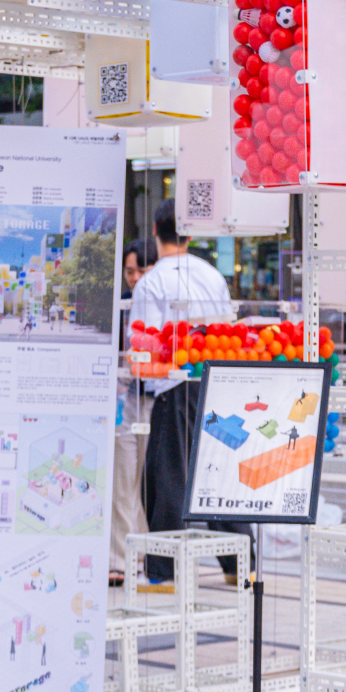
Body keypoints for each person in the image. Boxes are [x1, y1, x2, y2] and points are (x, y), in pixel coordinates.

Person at [130, 199, 252, 584]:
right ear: (190, 232)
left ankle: (163, 573)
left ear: (155, 230)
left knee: (167, 478)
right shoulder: (212, 275)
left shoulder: (152, 282)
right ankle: (240, 567)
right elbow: (227, 328)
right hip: (215, 385)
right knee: (218, 475)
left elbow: (145, 344)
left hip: (174, 389)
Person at [110, 238, 158, 585]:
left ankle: (142, 554)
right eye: (130, 271)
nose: (135, 277)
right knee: (123, 478)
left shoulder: (159, 304)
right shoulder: (121, 306)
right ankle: (119, 560)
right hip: (124, 402)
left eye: (142, 270)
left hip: (157, 400)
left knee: (147, 483)